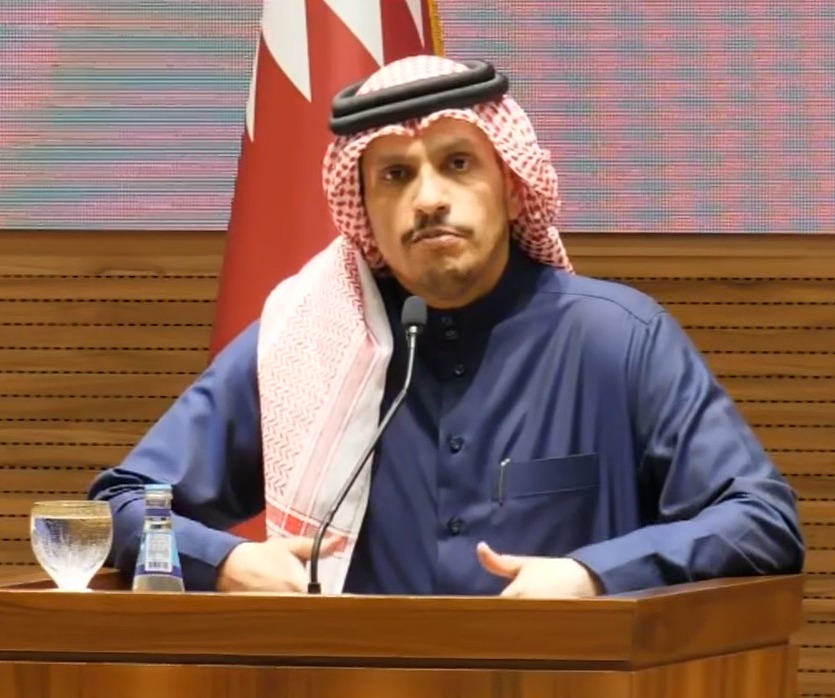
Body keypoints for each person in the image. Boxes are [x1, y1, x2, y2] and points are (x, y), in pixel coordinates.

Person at [88, 55, 804, 598]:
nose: (428, 198)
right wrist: (226, 561)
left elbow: (761, 521)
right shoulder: (308, 344)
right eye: (395, 176)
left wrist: (593, 575)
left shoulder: (617, 340)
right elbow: (119, 504)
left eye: (456, 164)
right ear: (363, 211)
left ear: (510, 184)